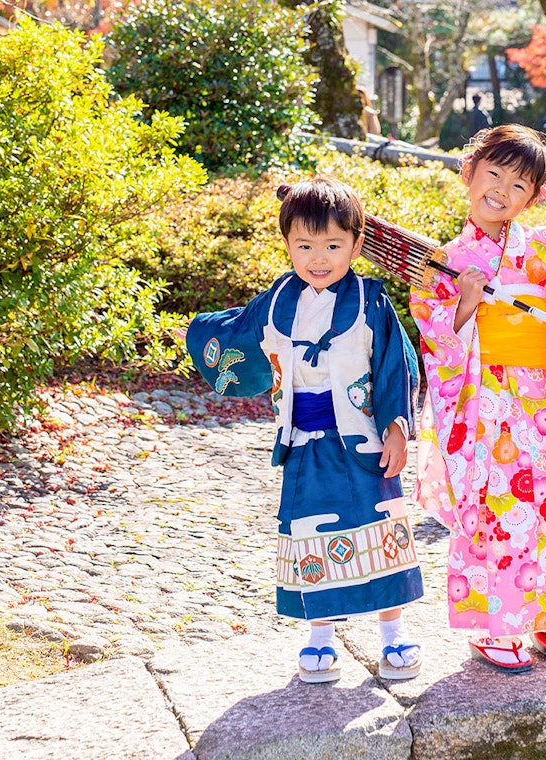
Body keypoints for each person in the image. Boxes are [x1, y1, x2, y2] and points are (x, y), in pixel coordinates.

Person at [185, 178, 424, 684]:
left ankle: (393, 633)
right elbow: (237, 340)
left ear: (357, 245)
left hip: (364, 441)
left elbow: (393, 367)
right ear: (288, 244)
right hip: (305, 442)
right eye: (305, 245)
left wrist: (398, 426)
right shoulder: (276, 303)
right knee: (312, 537)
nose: (320, 257)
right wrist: (204, 335)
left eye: (334, 245)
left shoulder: (370, 300)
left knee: (380, 532)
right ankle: (320, 637)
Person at [410, 125, 546, 672]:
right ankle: (492, 626)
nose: (502, 189)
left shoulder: (544, 248)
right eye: (494, 172)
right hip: (486, 401)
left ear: (532, 198)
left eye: (520, 184)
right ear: (469, 173)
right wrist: (468, 300)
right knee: (495, 506)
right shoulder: (444, 260)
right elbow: (438, 339)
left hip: (545, 398)